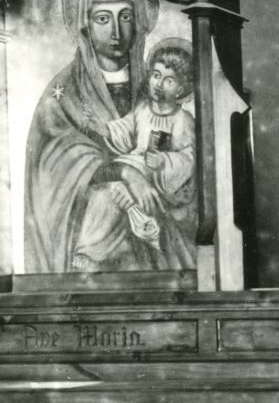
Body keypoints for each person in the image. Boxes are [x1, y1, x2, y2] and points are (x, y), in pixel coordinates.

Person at [25, 0, 195, 274]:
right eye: (103, 19)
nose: (116, 31)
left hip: (151, 247)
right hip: (90, 234)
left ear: (139, 21)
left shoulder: (154, 83)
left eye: (125, 17)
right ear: (85, 26)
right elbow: (53, 167)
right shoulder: (64, 91)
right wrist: (125, 173)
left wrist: (162, 172)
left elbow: (185, 152)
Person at [71, 39, 197, 271]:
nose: (159, 84)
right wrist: (103, 128)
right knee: (101, 194)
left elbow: (189, 157)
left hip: (158, 178)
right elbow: (124, 129)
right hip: (132, 164)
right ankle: (90, 250)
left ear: (180, 90)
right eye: (156, 75)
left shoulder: (183, 120)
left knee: (109, 198)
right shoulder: (142, 110)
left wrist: (165, 162)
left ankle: (95, 250)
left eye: (169, 80)